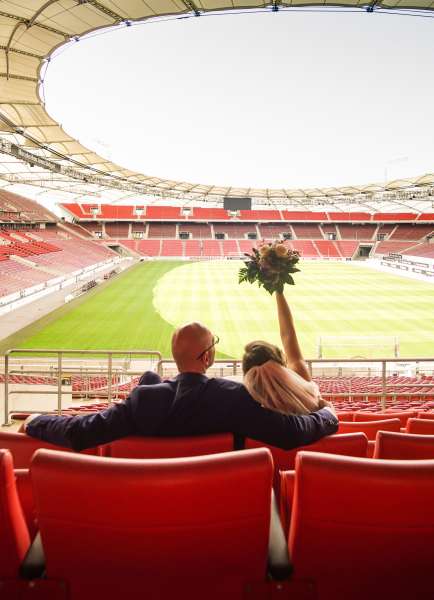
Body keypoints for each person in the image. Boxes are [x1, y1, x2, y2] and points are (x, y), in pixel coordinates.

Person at [24, 322, 338, 451]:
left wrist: (36, 421)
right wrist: (328, 414)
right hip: (218, 503)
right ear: (208, 357)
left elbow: (81, 431)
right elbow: (291, 432)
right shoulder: (234, 397)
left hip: (148, 504)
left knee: (150, 379)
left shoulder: (143, 400)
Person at [242, 291, 321, 416]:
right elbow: (288, 335)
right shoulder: (301, 378)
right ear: (280, 360)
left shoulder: (247, 402)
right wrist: (279, 291)